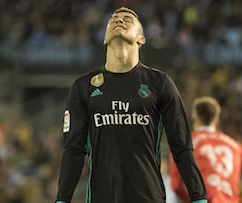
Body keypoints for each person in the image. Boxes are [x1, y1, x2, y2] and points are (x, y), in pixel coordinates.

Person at [55, 7, 207, 203]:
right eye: (113, 20)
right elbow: (73, 149)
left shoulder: (160, 83)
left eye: (127, 19)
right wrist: (62, 199)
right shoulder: (83, 86)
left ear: (141, 38)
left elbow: (182, 147)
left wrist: (199, 197)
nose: (119, 20)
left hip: (148, 197)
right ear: (104, 39)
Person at [169, 96, 242, 203]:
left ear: (194, 118)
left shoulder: (184, 144)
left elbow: (176, 186)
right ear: (216, 121)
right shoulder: (235, 146)